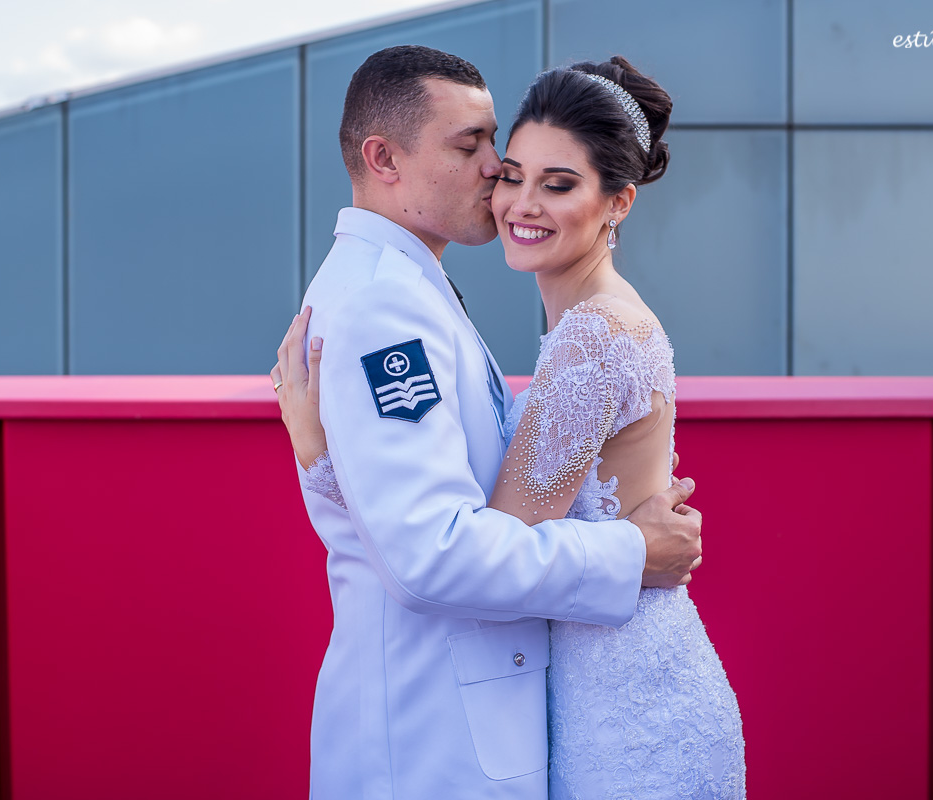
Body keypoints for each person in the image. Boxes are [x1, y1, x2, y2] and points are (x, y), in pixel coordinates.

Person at [278, 54, 746, 799]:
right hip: (462, 725)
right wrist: (633, 549)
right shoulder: (386, 304)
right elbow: (435, 548)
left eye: (552, 181)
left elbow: (445, 533)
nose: (500, 178)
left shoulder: (571, 326)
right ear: (383, 158)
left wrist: (321, 466)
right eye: (474, 149)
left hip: (614, 709)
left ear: (617, 203)